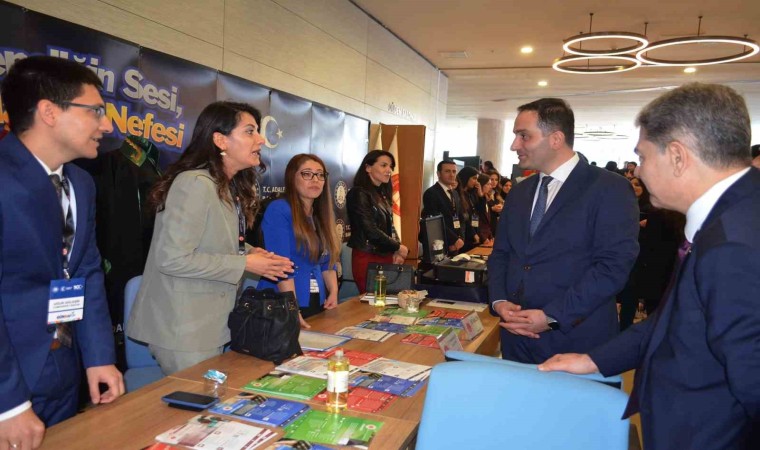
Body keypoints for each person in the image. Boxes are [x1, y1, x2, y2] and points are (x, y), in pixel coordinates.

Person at [540, 83, 760, 449]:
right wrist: (595, 359)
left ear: (677, 156)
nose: (638, 172)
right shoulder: (736, 210)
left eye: (642, 157)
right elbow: (675, 318)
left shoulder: (734, 246)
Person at [0, 56, 124, 448]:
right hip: (11, 378)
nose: (106, 125)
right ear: (49, 112)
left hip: (64, 369)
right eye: (96, 112)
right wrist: (9, 405)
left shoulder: (81, 184)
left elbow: (86, 273)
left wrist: (98, 356)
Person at [127, 101, 294, 375]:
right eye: (250, 131)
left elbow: (220, 242)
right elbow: (173, 258)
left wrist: (253, 253)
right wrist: (245, 264)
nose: (261, 139)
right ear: (220, 140)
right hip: (183, 329)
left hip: (208, 324)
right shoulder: (194, 184)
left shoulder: (223, 186)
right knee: (199, 411)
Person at [488, 97, 639, 364]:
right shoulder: (520, 191)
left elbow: (613, 267)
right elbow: (502, 253)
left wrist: (550, 316)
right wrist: (499, 300)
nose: (514, 145)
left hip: (575, 341)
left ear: (556, 139)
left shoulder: (609, 189)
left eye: (524, 136)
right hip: (515, 338)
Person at [257, 154, 340, 321]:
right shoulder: (279, 209)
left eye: (320, 174)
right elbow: (281, 266)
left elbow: (327, 262)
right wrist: (292, 307)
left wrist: (334, 291)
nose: (315, 179)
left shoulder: (320, 214)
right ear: (291, 178)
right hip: (282, 301)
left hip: (316, 299)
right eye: (307, 174)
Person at [617, 177, 684, 330]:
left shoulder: (659, 211)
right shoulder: (664, 210)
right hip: (647, 263)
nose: (634, 188)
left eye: (638, 184)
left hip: (653, 264)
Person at [346, 150, 408, 294]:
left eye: (391, 166)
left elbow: (390, 227)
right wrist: (398, 247)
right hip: (368, 257)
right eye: (383, 165)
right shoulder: (359, 193)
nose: (389, 170)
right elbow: (370, 230)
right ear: (368, 168)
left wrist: (396, 250)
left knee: (386, 302)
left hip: (385, 255)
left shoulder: (382, 194)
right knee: (373, 300)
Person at [420, 160, 465, 256]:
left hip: (456, 244)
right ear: (438, 173)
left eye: (454, 171)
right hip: (438, 244)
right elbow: (435, 222)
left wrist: (460, 238)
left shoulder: (455, 193)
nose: (452, 175)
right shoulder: (431, 193)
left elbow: (460, 218)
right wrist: (453, 239)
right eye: (447, 171)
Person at [455, 166, 481, 252]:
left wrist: (480, 194)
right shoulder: (458, 194)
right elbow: (464, 217)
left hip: (472, 233)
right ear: (466, 177)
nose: (476, 182)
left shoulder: (471, 194)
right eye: (474, 178)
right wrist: (473, 233)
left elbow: (477, 212)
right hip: (462, 235)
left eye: (477, 179)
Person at [474, 174, 495, 244]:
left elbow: (487, 222)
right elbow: (478, 221)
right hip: (479, 237)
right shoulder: (476, 199)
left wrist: (490, 236)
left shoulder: (485, 198)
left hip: (487, 236)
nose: (490, 186)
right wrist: (483, 237)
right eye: (488, 184)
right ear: (481, 184)